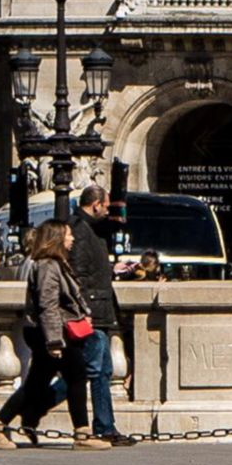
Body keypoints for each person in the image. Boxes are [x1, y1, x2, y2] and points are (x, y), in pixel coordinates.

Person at [0, 220, 89, 449]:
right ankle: (82, 434)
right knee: (77, 377)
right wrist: (54, 341)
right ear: (57, 238)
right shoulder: (49, 266)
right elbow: (48, 305)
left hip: (50, 331)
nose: (72, 239)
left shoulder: (54, 263)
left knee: (37, 383)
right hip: (54, 332)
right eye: (68, 235)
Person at [68, 188, 134, 447]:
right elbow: (78, 274)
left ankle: (106, 426)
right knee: (92, 371)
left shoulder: (90, 230)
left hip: (99, 311)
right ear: (95, 205)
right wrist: (86, 311)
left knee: (101, 370)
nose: (108, 212)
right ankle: (29, 409)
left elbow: (89, 269)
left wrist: (111, 269)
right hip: (93, 314)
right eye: (106, 206)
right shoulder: (81, 230)